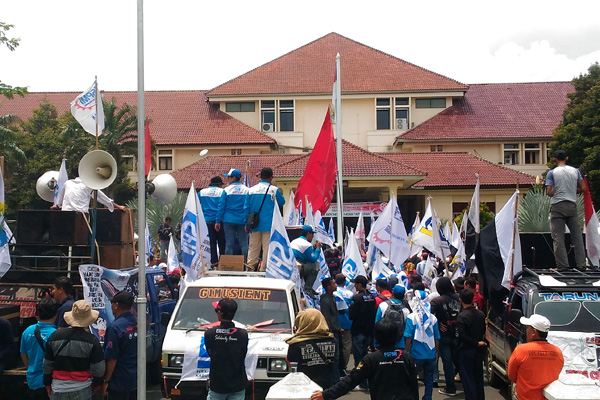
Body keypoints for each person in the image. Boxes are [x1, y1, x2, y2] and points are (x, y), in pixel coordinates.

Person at [310, 318, 419, 400]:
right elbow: (414, 384)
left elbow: (350, 381)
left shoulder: (371, 359)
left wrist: (326, 395)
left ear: (376, 336)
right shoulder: (406, 356)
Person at [43, 300, 105, 399]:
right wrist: (97, 385)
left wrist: (47, 384)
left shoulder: (55, 336)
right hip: (83, 388)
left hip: (58, 388)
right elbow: (98, 369)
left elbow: (47, 365)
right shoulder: (91, 340)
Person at [546, 149, 587, 270]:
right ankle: (581, 264)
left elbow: (549, 192)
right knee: (577, 237)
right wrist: (572, 191)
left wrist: (558, 191)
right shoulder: (575, 171)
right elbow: (583, 188)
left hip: (558, 205)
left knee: (558, 237)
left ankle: (562, 266)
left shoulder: (552, 173)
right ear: (567, 158)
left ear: (555, 159)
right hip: (572, 205)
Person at [508, 314, 564, 400]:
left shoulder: (521, 350)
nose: (527, 331)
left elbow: (511, 375)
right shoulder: (557, 352)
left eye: (528, 328)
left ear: (534, 332)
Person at [204, 299, 248, 400]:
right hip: (238, 384)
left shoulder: (209, 334)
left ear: (219, 313)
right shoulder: (242, 334)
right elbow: (242, 354)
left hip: (218, 385)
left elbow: (210, 352)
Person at [244, 167, 285, 271]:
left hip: (254, 224)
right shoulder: (274, 190)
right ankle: (263, 269)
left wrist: (246, 223)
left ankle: (250, 267)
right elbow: (282, 202)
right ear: (271, 177)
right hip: (269, 225)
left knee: (253, 247)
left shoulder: (251, 190)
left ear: (260, 176)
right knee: (267, 248)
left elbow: (246, 208)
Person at [286, 309, 337, 389]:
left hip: (304, 387)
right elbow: (335, 362)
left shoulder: (296, 344)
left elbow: (291, 362)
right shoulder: (333, 341)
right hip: (326, 388)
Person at [404, 290, 440, 400]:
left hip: (415, 355)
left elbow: (408, 336)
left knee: (411, 379)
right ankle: (427, 398)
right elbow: (436, 338)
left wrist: (405, 350)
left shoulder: (411, 317)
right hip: (430, 354)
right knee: (428, 379)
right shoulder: (432, 318)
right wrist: (436, 352)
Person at [20, 298, 59, 400]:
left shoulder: (27, 331)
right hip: (50, 383)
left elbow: (23, 354)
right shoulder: (57, 334)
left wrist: (31, 367)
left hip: (32, 381)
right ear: (55, 314)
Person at [103, 291, 137, 400]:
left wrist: (106, 381)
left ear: (116, 305)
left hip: (119, 381)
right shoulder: (136, 322)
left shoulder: (114, 328)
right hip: (135, 377)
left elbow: (112, 358)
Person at [430, 277, 461, 396]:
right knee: (458, 360)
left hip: (443, 335)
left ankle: (450, 388)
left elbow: (429, 317)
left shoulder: (436, 301)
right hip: (458, 334)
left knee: (447, 362)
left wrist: (437, 324)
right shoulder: (459, 298)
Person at [52, 164, 126, 214]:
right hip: (81, 216)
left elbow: (59, 203)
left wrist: (56, 206)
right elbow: (103, 198)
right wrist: (118, 207)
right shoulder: (88, 185)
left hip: (66, 215)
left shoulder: (67, 183)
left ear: (73, 174)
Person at [456, 289, 486, 400]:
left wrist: (475, 342)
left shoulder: (462, 316)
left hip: (466, 349)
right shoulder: (481, 314)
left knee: (468, 379)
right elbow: (483, 330)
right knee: (478, 377)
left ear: (460, 300)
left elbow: (461, 335)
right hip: (479, 350)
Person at [348, 275, 376, 391]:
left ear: (359, 284)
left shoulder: (357, 298)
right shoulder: (371, 297)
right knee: (366, 357)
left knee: (359, 358)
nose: (354, 285)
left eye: (355, 283)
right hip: (369, 331)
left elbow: (351, 316)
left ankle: (362, 382)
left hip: (359, 331)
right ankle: (367, 381)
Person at [216, 169, 250, 262]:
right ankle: (245, 265)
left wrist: (218, 220)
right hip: (242, 220)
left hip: (228, 220)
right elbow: (248, 207)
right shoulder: (247, 190)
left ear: (233, 177)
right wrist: (247, 221)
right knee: (244, 244)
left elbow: (221, 206)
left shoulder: (226, 190)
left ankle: (228, 266)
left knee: (229, 244)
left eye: (229, 177)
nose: (227, 179)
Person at [199, 176, 226, 267]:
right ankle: (222, 263)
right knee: (222, 243)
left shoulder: (202, 192)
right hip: (219, 222)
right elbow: (223, 206)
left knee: (211, 244)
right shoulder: (223, 192)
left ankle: (213, 263)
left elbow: (197, 206)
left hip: (206, 222)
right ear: (219, 185)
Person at [319, 277, 341, 382]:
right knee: (333, 358)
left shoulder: (332, 297)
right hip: (331, 333)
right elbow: (327, 317)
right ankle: (335, 381)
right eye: (333, 283)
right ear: (328, 287)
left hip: (336, 331)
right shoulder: (325, 300)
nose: (336, 285)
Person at [375, 284, 409, 349]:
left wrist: (376, 343)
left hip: (383, 344)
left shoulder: (383, 305)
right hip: (400, 344)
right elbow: (406, 329)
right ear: (404, 296)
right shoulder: (406, 310)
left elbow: (377, 325)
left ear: (392, 293)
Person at [291, 225, 322, 292]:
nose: (313, 236)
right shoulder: (306, 244)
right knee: (315, 266)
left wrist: (313, 249)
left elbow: (306, 257)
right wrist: (318, 249)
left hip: (293, 265)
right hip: (297, 267)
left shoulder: (294, 241)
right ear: (308, 233)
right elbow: (313, 259)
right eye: (312, 233)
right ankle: (308, 288)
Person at [333, 274, 353, 374]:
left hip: (333, 323)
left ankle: (335, 365)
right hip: (346, 322)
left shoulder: (330, 292)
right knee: (346, 345)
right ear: (344, 282)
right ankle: (343, 366)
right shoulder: (349, 294)